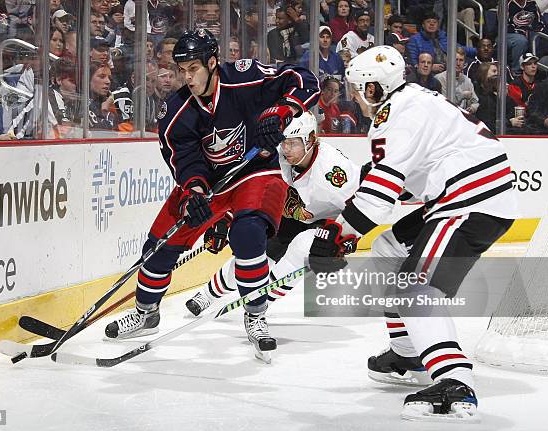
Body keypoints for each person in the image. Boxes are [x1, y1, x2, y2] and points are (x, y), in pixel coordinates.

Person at [308, 45, 519, 422]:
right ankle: (407, 351)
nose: (356, 97)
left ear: (374, 88)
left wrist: (339, 231)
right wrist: (343, 227)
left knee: (414, 286)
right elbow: (395, 187)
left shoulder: (403, 112)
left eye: (359, 89)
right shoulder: (409, 104)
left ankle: (453, 379)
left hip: (468, 200)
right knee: (389, 249)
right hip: (457, 194)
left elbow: (384, 191)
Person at [103, 29, 319, 360]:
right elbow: (187, 161)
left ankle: (256, 316)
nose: (187, 77)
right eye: (182, 70)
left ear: (213, 63)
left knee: (247, 234)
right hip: (211, 184)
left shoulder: (244, 78)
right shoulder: (176, 111)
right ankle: (146, 313)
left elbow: (303, 80)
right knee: (157, 248)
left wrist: (280, 112)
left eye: (194, 69)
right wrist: (194, 192)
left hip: (255, 172)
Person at [184, 111, 362, 315]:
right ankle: (207, 295)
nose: (286, 149)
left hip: (327, 222)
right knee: (256, 253)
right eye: (284, 141)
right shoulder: (277, 154)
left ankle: (260, 301)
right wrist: (225, 220)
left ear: (311, 139)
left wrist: (348, 237)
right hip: (295, 214)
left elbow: (365, 202)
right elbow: (247, 187)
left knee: (302, 247)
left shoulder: (333, 171)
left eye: (293, 143)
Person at [435, 47, 479, 113]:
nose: (458, 63)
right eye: (455, 60)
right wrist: (462, 95)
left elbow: (475, 102)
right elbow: (446, 104)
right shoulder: (440, 78)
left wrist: (472, 108)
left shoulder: (467, 80)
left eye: (461, 60)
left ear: (465, 64)